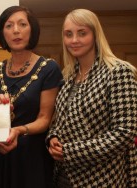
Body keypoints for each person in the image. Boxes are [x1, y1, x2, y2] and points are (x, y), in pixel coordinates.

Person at [46, 9, 137, 187]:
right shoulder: (68, 75)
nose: (74, 40)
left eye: (82, 33)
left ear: (95, 35)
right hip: (64, 176)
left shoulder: (118, 71)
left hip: (102, 178)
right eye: (68, 34)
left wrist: (70, 152)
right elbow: (60, 120)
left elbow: (125, 132)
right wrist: (53, 137)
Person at [0, 6, 63, 188]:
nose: (16, 31)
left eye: (22, 24)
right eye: (9, 26)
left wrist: (18, 130)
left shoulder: (49, 68)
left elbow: (45, 119)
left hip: (32, 156)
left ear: (32, 29)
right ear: (2, 33)